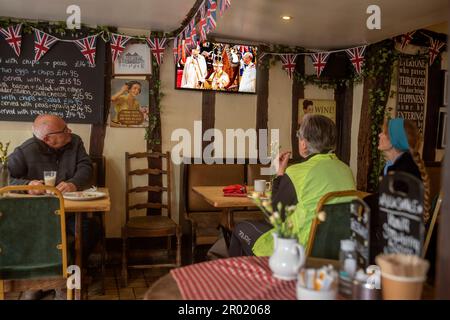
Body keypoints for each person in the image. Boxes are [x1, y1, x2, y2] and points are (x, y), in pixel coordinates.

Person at [228, 114, 356, 257]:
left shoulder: (298, 172)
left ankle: (250, 277)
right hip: (337, 249)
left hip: (298, 249)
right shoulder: (346, 170)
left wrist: (279, 173)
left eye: (299, 136)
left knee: (240, 228)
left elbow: (275, 216)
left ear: (304, 143)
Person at [7, 114, 100, 299]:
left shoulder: (75, 142)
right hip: (39, 214)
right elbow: (8, 178)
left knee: (91, 229)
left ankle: (67, 277)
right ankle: (45, 281)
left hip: (71, 212)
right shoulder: (25, 151)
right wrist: (28, 186)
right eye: (64, 130)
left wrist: (73, 183)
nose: (70, 131)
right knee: (41, 235)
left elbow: (86, 167)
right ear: (47, 138)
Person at [365, 118, 431, 221]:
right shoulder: (392, 166)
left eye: (384, 133)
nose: (379, 135)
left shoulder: (405, 170)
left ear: (395, 140)